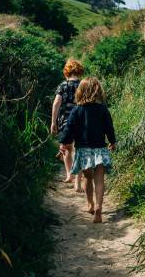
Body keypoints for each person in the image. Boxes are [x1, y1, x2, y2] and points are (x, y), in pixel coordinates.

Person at [58, 77, 116, 223]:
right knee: (100, 180)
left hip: (83, 150)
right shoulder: (103, 109)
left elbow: (69, 128)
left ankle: (90, 204)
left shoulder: (77, 110)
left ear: (81, 92)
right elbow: (109, 127)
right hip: (100, 149)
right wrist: (112, 142)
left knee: (88, 178)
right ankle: (98, 208)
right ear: (98, 91)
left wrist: (63, 142)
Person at [51, 59, 84, 192]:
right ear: (79, 71)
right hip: (82, 120)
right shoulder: (83, 85)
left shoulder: (62, 85)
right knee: (79, 148)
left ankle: (69, 174)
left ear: (67, 72)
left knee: (66, 148)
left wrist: (53, 122)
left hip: (65, 120)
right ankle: (78, 179)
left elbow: (56, 103)